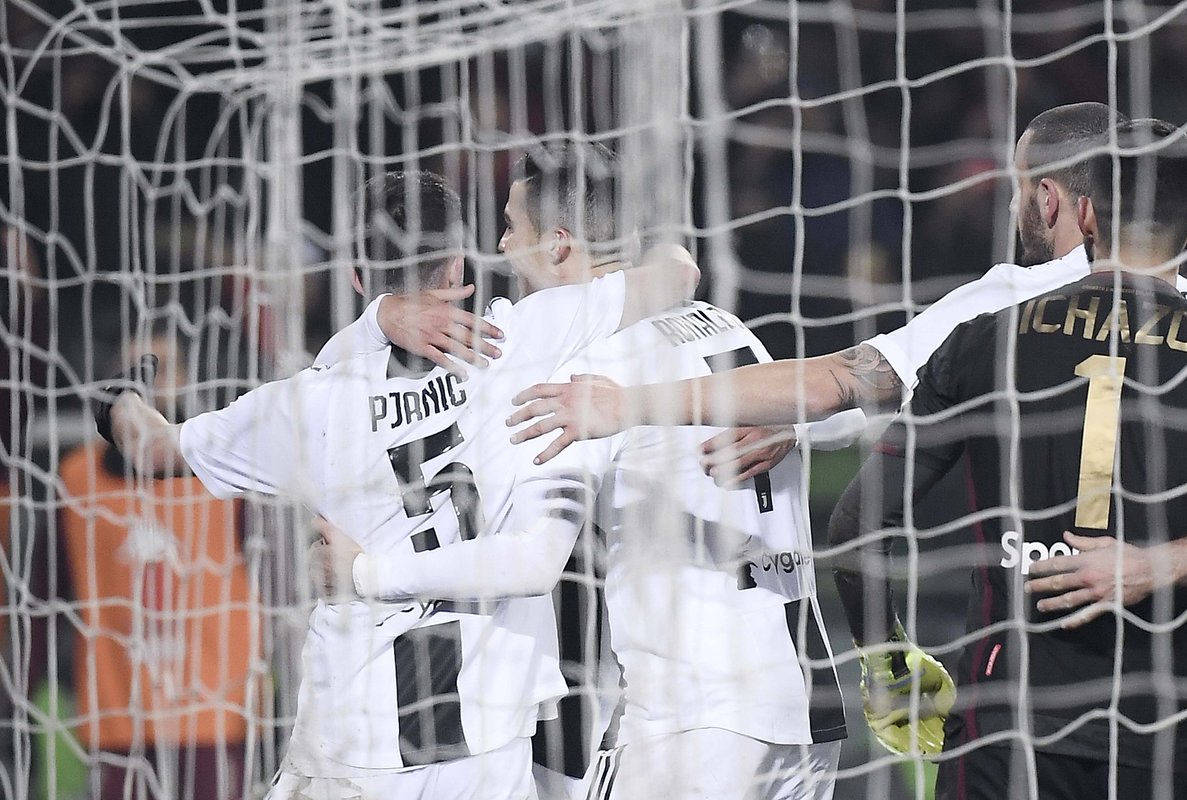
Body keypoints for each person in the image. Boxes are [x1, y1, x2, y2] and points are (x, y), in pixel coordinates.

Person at [502, 104, 1187, 748]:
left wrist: (630, 404)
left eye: (1019, 187)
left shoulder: (1002, 306)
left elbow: (841, 384)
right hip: (1172, 675)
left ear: (1051, 198)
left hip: (1020, 676)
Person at [96, 167, 700, 800]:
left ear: (357, 277)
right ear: (458, 265)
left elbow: (149, 447)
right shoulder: (524, 336)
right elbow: (677, 273)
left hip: (360, 732)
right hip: (490, 731)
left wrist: (118, 397)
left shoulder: (307, 404)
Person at [311, 147, 849, 800]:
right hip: (808, 707)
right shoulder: (727, 327)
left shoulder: (590, 373)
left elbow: (534, 558)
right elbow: (839, 397)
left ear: (558, 245)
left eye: (511, 227)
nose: (501, 247)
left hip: (696, 719)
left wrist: (366, 573)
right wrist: (799, 425)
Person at [828, 118, 1187, 798]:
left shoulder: (984, 338)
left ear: (1086, 214)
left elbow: (857, 523)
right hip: (1159, 727)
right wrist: (1158, 565)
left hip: (1002, 723)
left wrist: (888, 666)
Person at [59, 325, 256, 800]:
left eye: (160, 369)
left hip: (213, 710)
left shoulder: (225, 470)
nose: (146, 386)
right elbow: (54, 590)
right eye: (132, 373)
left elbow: (268, 580)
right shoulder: (77, 476)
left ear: (186, 377)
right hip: (118, 716)